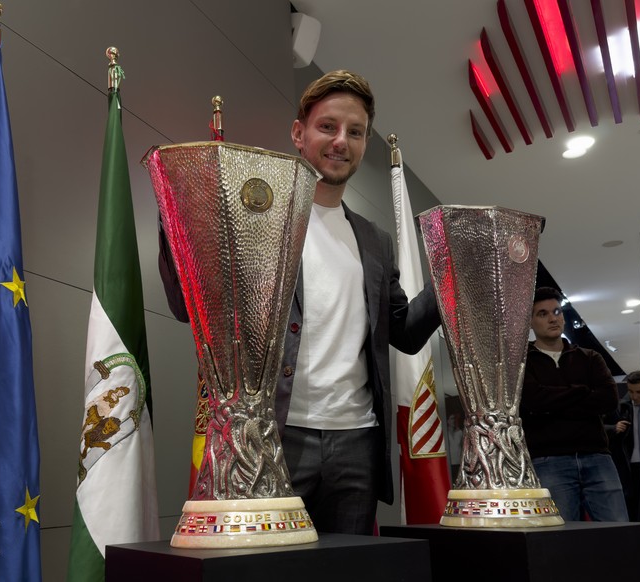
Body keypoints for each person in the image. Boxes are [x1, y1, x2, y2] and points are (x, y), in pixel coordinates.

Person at [158, 70, 441, 534]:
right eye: (327, 126)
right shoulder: (257, 223)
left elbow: (405, 333)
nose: (341, 142)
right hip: (276, 436)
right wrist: (178, 213)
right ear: (299, 133)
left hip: (358, 442)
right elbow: (186, 307)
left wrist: (450, 283)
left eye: (355, 132)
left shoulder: (375, 241)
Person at [520, 286, 628, 522]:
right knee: (561, 539)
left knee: (619, 533)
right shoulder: (522, 362)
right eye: (543, 313)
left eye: (557, 311)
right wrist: (581, 391)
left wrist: (554, 401)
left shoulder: (590, 357)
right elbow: (533, 401)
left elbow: (608, 400)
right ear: (529, 321)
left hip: (597, 456)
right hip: (548, 460)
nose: (553, 318)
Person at [605, 370, 640, 520]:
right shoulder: (622, 409)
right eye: (631, 392)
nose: (635, 396)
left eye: (639, 392)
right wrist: (613, 428)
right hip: (630, 465)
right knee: (632, 504)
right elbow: (600, 426)